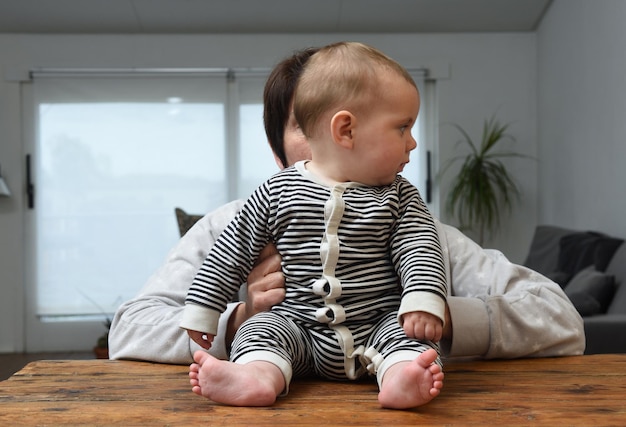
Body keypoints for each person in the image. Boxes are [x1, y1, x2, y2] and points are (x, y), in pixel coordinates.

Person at [108, 45, 584, 370]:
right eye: (305, 125)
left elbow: (560, 321)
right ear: (278, 151)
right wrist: (237, 320)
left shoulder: (413, 226)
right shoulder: (227, 225)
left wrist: (431, 310)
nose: (336, 140)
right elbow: (127, 331)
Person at [180, 41, 447, 409]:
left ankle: (401, 374)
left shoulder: (400, 196)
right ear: (346, 130)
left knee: (409, 336)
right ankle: (256, 376)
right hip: (299, 329)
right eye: (402, 127)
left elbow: (419, 246)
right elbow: (232, 251)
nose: (413, 142)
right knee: (260, 329)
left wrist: (423, 300)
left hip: (377, 325)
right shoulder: (276, 192)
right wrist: (204, 309)